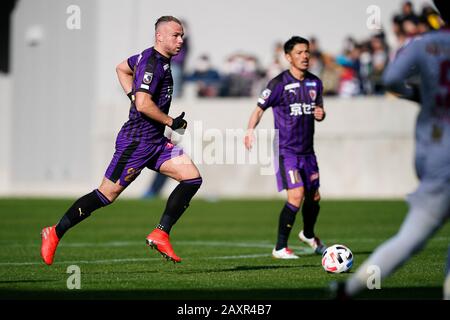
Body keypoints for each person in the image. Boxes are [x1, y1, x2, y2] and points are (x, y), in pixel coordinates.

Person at [40, 16, 202, 265]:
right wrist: (171, 121)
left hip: (155, 142)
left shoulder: (155, 60)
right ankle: (55, 232)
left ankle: (160, 233)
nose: (181, 40)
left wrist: (132, 95)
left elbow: (121, 68)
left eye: (182, 36)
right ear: (159, 36)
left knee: (192, 178)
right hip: (136, 143)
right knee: (106, 195)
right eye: (175, 35)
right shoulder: (151, 64)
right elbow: (143, 104)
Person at [334, 0, 450, 299]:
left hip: (436, 156)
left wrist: (421, 95)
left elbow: (390, 79)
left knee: (410, 238)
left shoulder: (425, 44)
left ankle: (350, 289)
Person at [244, 36, 327, 259]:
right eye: (299, 53)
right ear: (288, 57)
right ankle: (280, 247)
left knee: (314, 197)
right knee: (296, 195)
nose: (305, 56)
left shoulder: (315, 83)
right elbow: (259, 109)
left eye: (307, 52)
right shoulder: (278, 83)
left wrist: (321, 114)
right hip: (286, 151)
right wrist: (250, 130)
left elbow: (318, 110)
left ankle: (308, 234)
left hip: (308, 152)